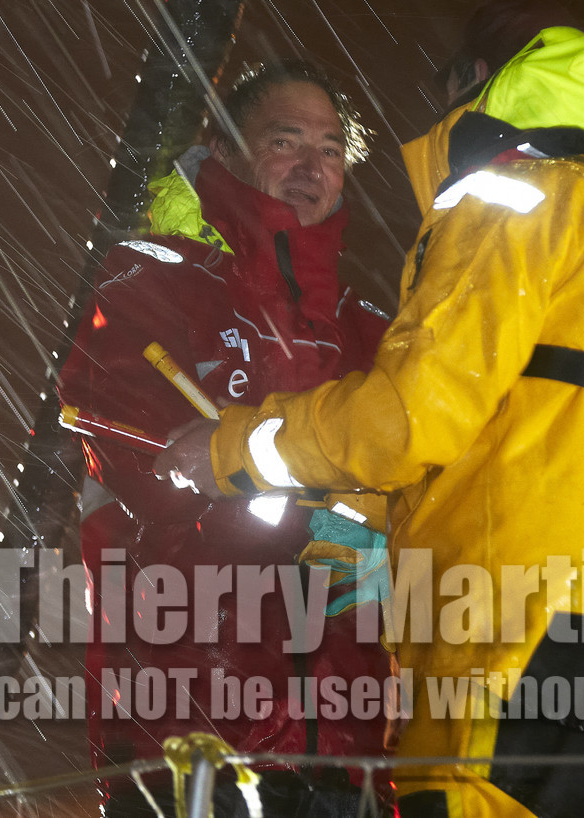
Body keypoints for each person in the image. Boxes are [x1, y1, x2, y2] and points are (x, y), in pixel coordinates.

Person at [166, 18, 584, 818]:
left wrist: (231, 448)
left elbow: (412, 416)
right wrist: (359, 521)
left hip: (505, 640)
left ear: (488, 92)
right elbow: (532, 437)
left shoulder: (514, 199)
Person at [55, 60, 395, 818]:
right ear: (227, 150)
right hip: (190, 730)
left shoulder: (370, 331)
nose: (312, 167)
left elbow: (412, 503)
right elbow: (144, 465)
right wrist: (317, 523)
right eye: (286, 141)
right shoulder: (150, 281)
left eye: (332, 150)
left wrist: (379, 543)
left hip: (351, 750)